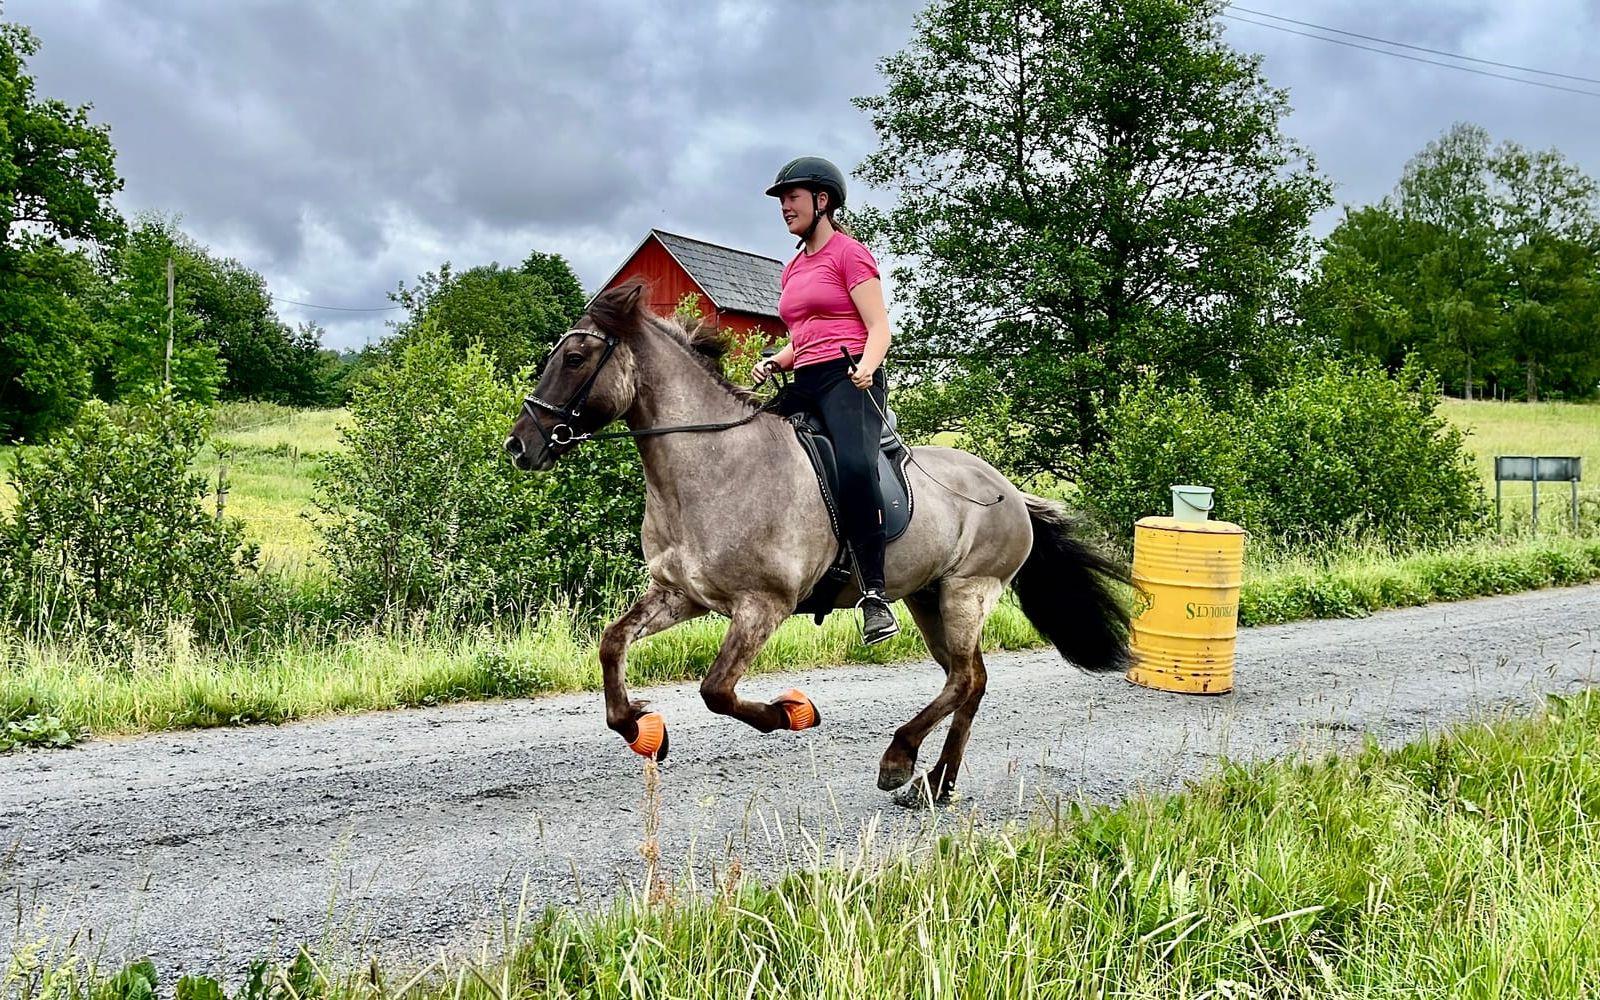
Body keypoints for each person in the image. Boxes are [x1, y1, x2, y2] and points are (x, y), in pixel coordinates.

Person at [752, 156, 899, 646]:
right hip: (807, 377)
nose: (784, 207)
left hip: (850, 376)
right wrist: (778, 361)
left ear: (822, 201)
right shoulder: (792, 267)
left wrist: (867, 367)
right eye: (781, 200)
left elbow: (879, 328)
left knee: (856, 467)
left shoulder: (850, 254)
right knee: (748, 446)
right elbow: (806, 334)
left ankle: (874, 595)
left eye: (791, 197)